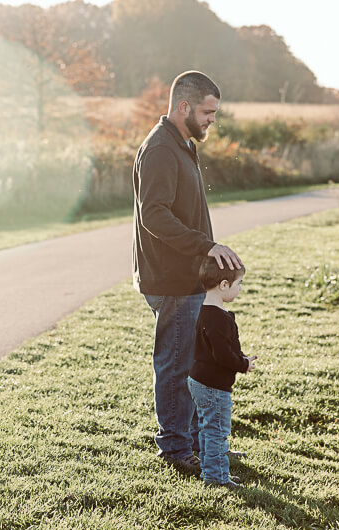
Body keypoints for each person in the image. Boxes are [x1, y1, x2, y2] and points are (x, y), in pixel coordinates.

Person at [132, 70, 242, 471]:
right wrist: (207, 246)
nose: (212, 119)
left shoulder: (183, 143)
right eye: (207, 112)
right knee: (177, 367)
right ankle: (176, 451)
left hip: (189, 277)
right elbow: (154, 215)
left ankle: (202, 443)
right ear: (184, 107)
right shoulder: (161, 148)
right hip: (171, 279)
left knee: (194, 367)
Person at [188, 256, 256, 488]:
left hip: (199, 380)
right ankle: (216, 478)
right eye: (238, 284)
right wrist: (243, 363)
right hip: (213, 386)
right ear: (224, 285)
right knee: (216, 432)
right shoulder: (218, 318)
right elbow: (222, 355)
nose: (240, 289)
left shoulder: (203, 311)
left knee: (208, 430)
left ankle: (211, 472)